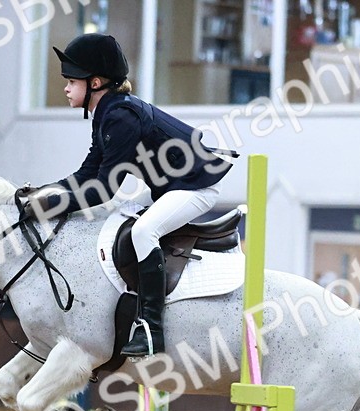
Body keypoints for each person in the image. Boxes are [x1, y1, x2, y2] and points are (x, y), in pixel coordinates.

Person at [27, 33, 234, 356]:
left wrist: (50, 205)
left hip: (196, 186)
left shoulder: (121, 117)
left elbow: (106, 189)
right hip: (173, 187)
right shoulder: (107, 113)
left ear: (95, 82)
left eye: (71, 81)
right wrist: (45, 193)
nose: (66, 88)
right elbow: (86, 175)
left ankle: (152, 329)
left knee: (143, 231)